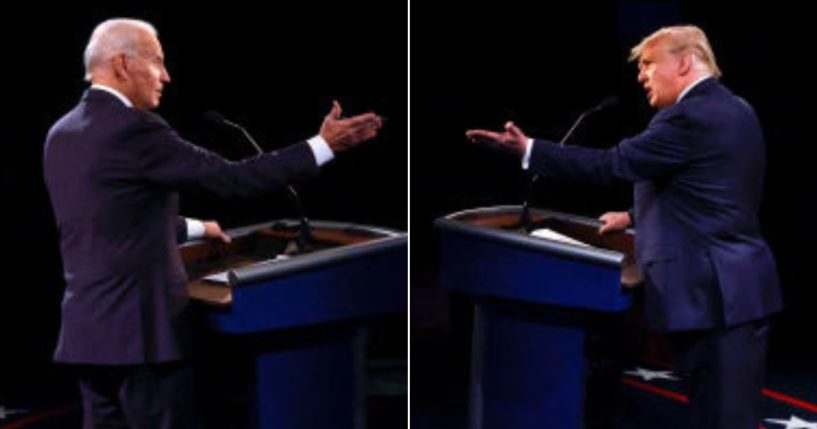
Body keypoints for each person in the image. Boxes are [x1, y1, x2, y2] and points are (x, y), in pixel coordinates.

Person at [43, 18, 382, 429]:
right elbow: (233, 179)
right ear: (121, 64)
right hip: (142, 341)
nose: (166, 76)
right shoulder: (135, 129)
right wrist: (323, 146)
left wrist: (200, 228)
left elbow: (111, 221)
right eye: (157, 61)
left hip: (88, 336)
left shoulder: (61, 133)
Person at [466, 25, 782, 429]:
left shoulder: (687, 117)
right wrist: (634, 217)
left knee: (723, 419)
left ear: (684, 61)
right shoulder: (736, 108)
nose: (641, 75)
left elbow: (613, 164)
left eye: (649, 64)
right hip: (733, 291)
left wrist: (528, 150)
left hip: (713, 297)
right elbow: (714, 188)